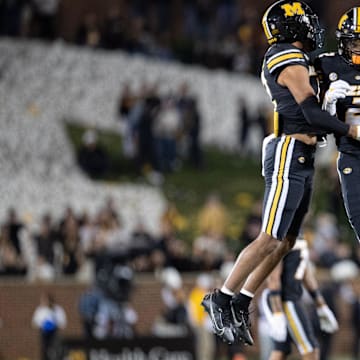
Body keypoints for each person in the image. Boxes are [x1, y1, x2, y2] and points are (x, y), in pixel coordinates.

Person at [201, 0, 360, 346]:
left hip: (302, 153)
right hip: (289, 149)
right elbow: (310, 110)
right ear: (290, 26)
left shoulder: (300, 57)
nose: (312, 27)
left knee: (287, 241)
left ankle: (242, 299)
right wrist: (349, 131)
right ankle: (222, 296)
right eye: (305, 21)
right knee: (270, 236)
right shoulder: (283, 54)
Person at [315, 7, 360, 243]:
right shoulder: (328, 66)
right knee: (358, 215)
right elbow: (318, 128)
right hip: (351, 152)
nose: (359, 48)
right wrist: (328, 103)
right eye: (355, 42)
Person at [261, 237, 338, 360]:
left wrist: (321, 305)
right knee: (311, 349)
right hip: (284, 299)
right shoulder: (282, 234)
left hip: (289, 298)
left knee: (281, 350)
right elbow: (273, 278)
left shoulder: (299, 235)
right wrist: (277, 312)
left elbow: (305, 272)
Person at [32, 293, 67, 360]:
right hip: (44, 333)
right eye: (43, 300)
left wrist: (54, 324)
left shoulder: (57, 309)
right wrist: (43, 325)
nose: (45, 302)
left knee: (56, 349)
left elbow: (62, 323)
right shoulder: (40, 310)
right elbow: (34, 323)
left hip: (54, 333)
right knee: (44, 349)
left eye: (46, 300)